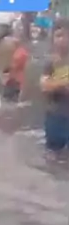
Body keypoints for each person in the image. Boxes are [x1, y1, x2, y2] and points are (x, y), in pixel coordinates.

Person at [40, 17, 69, 154]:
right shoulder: (50, 62)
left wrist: (55, 84)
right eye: (59, 35)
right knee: (53, 154)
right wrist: (62, 85)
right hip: (55, 115)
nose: (63, 40)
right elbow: (44, 86)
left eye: (67, 35)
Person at [3, 19, 30, 101]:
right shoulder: (8, 47)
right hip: (9, 81)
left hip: (16, 81)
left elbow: (13, 65)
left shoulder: (22, 52)